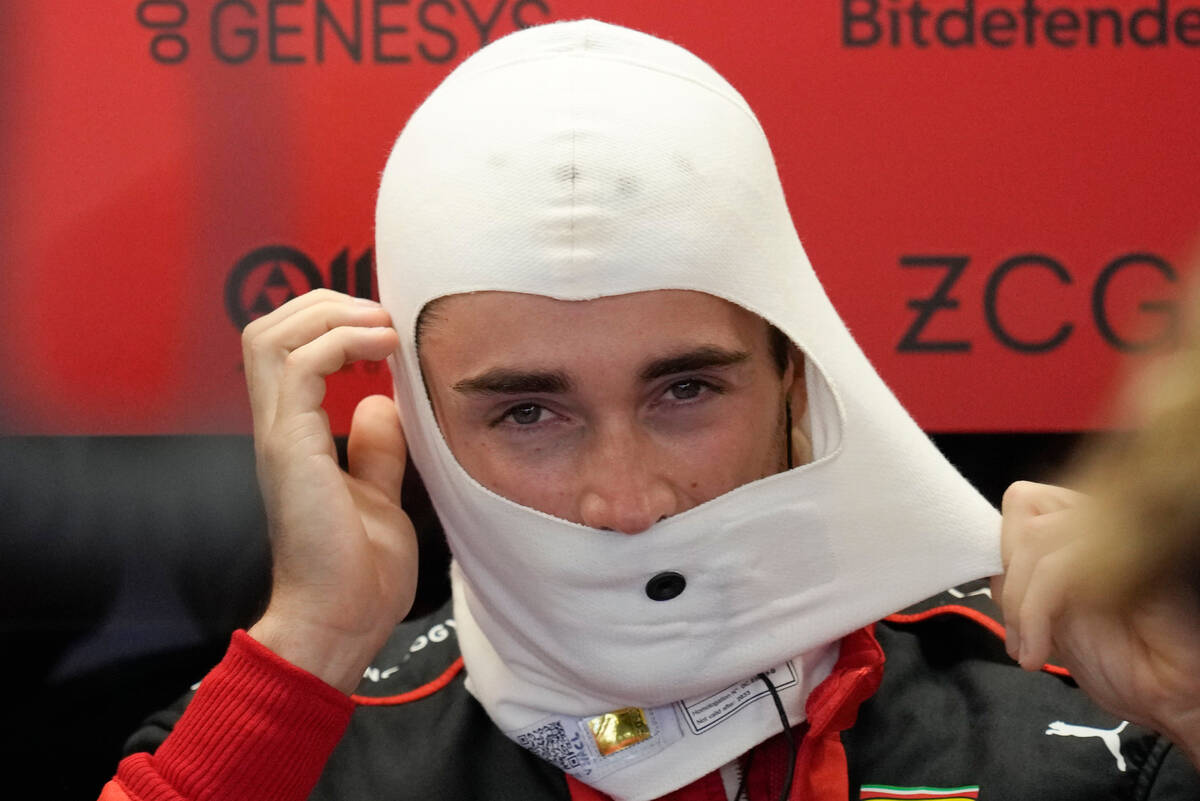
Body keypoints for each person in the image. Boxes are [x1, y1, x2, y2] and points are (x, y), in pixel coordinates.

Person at [100, 19, 1200, 801]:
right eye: (529, 414)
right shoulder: (297, 743)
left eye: (685, 390)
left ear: (795, 382)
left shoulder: (1090, 717)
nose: (626, 500)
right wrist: (315, 641)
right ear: (422, 428)